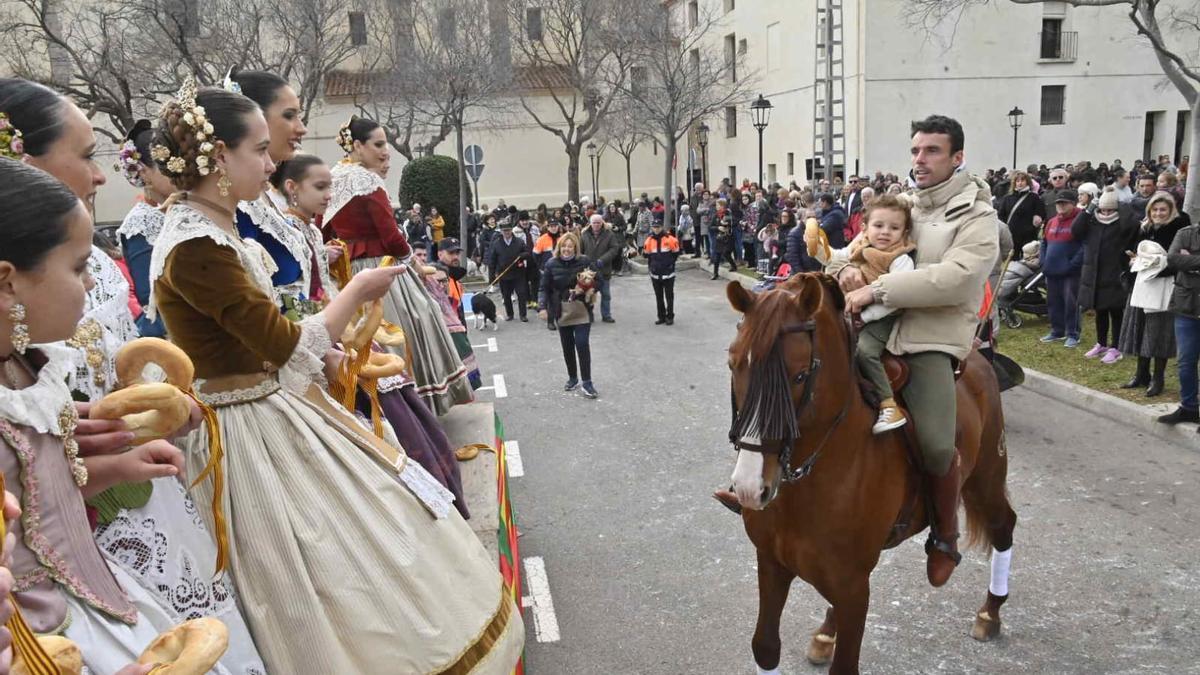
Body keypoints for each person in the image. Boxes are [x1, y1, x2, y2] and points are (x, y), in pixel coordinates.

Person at [147, 83, 523, 672]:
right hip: (247, 429)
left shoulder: (213, 230)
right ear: (219, 158)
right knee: (312, 572)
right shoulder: (196, 243)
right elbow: (282, 342)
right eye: (258, 151)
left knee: (363, 543)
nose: (271, 164)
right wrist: (354, 293)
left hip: (272, 407)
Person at [1, 78, 269, 673]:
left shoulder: (25, 371)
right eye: (87, 155)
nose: (101, 177)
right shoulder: (190, 243)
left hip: (100, 587)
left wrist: (98, 466)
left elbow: (39, 497)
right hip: (50, 633)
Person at [830, 115, 998, 587]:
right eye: (915, 151)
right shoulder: (901, 204)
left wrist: (877, 290)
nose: (919, 160)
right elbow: (850, 249)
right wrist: (844, 270)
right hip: (871, 327)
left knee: (938, 444)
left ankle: (945, 534)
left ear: (957, 157)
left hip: (928, 338)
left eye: (932, 151)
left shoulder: (978, 217)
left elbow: (959, 277)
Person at [327, 115, 473, 413]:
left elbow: (323, 230)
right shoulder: (366, 180)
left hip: (348, 275)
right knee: (413, 321)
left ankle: (383, 409)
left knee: (364, 338)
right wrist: (415, 266)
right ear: (357, 146)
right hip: (381, 268)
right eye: (378, 145)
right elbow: (390, 235)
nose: (385, 152)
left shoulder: (333, 177)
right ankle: (419, 405)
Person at [832, 195, 917, 432]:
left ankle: (888, 405)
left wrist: (863, 318)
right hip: (855, 313)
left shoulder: (900, 259)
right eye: (878, 226)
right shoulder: (861, 248)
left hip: (881, 318)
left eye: (894, 227)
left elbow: (894, 298)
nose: (885, 232)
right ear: (864, 228)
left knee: (865, 352)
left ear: (905, 231)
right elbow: (836, 258)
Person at [1119, 192, 1189, 397]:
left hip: (1164, 285)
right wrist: (1133, 262)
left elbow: (1180, 261)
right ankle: (1141, 374)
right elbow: (1129, 252)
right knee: (1140, 329)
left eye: (1163, 210)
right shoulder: (1143, 228)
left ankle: (1158, 378)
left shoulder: (1178, 231)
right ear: (1149, 211)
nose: (1158, 213)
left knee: (1159, 333)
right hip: (1142, 285)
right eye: (1155, 210)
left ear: (1171, 211)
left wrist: (1156, 266)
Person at [114, 119, 171, 338]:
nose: (176, 170)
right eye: (164, 165)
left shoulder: (186, 206)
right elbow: (150, 296)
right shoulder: (141, 222)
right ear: (144, 171)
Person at [1076, 186, 1137, 363]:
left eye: (1111, 209)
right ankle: (1101, 343)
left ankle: (1116, 346)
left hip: (1116, 272)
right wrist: (1088, 210)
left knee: (1116, 311)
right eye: (1103, 209)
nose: (1107, 212)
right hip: (1095, 272)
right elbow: (1076, 230)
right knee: (1100, 309)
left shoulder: (1123, 222)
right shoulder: (1093, 221)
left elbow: (1131, 225)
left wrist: (1123, 207)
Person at [538, 233, 599, 399]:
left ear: (575, 248)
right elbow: (544, 288)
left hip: (581, 310)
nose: (567, 249)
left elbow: (597, 280)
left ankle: (587, 382)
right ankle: (573, 378)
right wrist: (542, 307)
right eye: (564, 246)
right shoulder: (551, 264)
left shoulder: (584, 261)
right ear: (559, 247)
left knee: (582, 344)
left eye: (570, 246)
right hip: (561, 310)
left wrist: (588, 288)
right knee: (567, 347)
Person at [1157, 220, 1200, 426]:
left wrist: (1190, 259)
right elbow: (1172, 259)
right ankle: (1189, 408)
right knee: (1185, 362)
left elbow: (1183, 261)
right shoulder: (1185, 233)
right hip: (1186, 307)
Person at [1039, 190, 1087, 347]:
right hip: (1051, 269)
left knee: (1071, 302)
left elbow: (1084, 246)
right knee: (1053, 301)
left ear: (1073, 203)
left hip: (1070, 271)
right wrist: (1043, 260)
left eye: (1064, 203)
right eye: (1058, 203)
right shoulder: (1052, 221)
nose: (1060, 206)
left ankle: (1073, 333)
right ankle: (1057, 331)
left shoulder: (1080, 220)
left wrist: (1073, 264)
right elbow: (1044, 242)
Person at [579, 214, 620, 323]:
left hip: (604, 270)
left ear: (602, 223)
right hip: (589, 272)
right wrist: (584, 262)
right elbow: (580, 251)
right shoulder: (584, 234)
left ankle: (606, 315)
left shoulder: (609, 234)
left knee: (606, 294)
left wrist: (603, 259)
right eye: (594, 223)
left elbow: (614, 249)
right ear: (590, 224)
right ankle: (589, 314)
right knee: (589, 295)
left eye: (598, 222)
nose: (596, 225)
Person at [487, 218, 530, 321]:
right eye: (504, 231)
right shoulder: (496, 244)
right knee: (506, 296)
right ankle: (510, 314)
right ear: (501, 232)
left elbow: (527, 253)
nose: (507, 232)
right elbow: (492, 261)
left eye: (508, 230)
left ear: (512, 230)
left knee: (521, 294)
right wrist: (492, 277)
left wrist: (523, 255)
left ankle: (523, 315)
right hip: (504, 274)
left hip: (518, 273)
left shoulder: (519, 242)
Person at [997, 170, 1047, 255]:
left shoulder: (1034, 197)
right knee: (1011, 260)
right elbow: (1001, 215)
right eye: (1018, 181)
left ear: (1027, 182)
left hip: (1028, 235)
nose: (1020, 183)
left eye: (1022, 180)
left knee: (1028, 259)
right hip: (1011, 234)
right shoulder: (1007, 198)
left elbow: (1041, 211)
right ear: (1014, 183)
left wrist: (1037, 217)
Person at [644, 219, 680, 325]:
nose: (656, 229)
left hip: (668, 273)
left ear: (662, 227)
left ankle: (670, 316)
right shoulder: (649, 240)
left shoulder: (671, 239)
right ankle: (661, 316)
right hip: (655, 274)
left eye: (658, 227)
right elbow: (647, 255)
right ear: (652, 228)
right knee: (658, 297)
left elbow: (676, 254)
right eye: (654, 227)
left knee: (669, 296)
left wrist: (669, 265)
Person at [711, 201, 737, 279]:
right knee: (717, 255)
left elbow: (734, 223)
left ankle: (733, 265)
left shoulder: (729, 213)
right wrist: (718, 227)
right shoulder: (716, 215)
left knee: (726, 253)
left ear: (722, 206)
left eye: (718, 205)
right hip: (719, 237)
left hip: (728, 238)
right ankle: (715, 273)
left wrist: (727, 225)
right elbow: (711, 226)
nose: (717, 207)